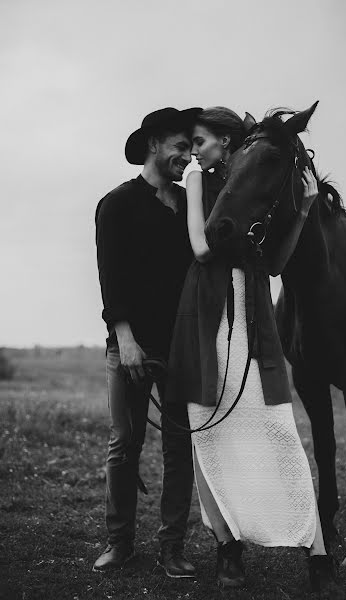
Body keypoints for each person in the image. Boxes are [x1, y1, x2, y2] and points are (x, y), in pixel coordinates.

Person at [165, 107, 344, 597]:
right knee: (210, 426)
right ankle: (228, 545)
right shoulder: (200, 181)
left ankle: (318, 553)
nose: (193, 151)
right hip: (206, 309)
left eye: (199, 141)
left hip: (252, 309)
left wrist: (304, 208)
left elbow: (277, 264)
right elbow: (202, 250)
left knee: (277, 429)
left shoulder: (255, 182)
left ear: (227, 141)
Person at [94, 107, 201, 576]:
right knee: (125, 445)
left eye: (192, 147)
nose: (187, 154)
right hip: (130, 345)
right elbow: (110, 280)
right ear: (154, 144)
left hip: (181, 347)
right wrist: (126, 339)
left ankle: (172, 547)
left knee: (179, 447)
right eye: (181, 145)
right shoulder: (116, 204)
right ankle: (120, 544)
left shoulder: (188, 205)